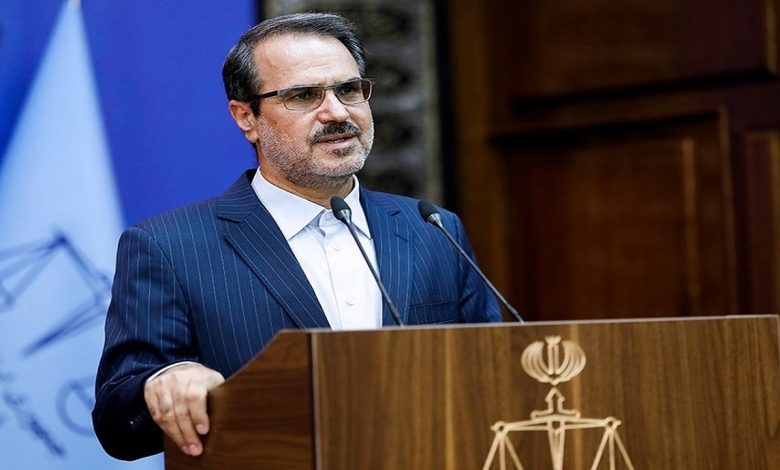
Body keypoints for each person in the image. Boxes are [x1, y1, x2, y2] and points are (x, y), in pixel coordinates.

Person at [92, 12, 502, 461]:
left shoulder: (432, 229)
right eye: (304, 96)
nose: (337, 113)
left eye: (349, 90)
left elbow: (493, 378)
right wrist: (164, 383)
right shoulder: (169, 247)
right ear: (246, 117)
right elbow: (117, 421)